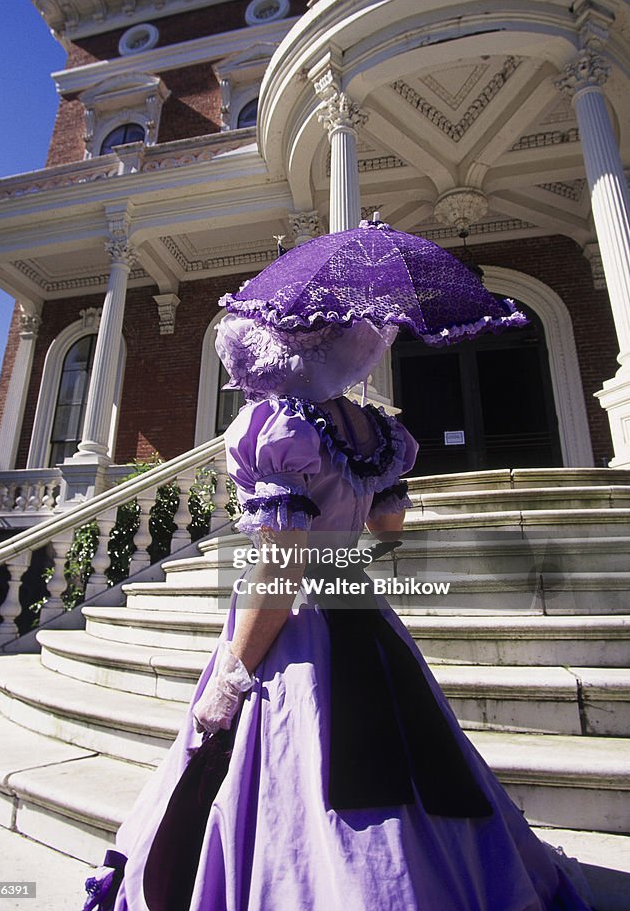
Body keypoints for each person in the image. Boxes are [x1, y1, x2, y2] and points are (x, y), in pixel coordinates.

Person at [83, 312, 591, 911]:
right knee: (410, 761)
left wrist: (232, 675)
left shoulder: (274, 425)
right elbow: (387, 528)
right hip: (358, 604)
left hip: (297, 627)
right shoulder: (376, 428)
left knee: (303, 765)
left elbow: (281, 569)